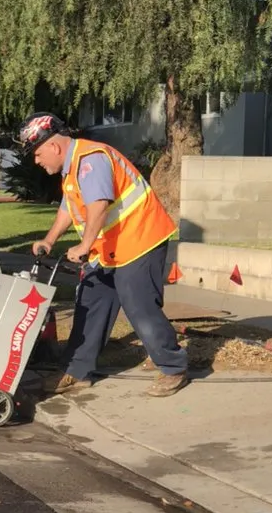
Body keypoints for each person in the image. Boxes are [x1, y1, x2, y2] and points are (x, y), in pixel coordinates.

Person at [21, 112, 188, 398]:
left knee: (138, 304)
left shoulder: (91, 160)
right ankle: (77, 372)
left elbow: (98, 205)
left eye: (37, 154)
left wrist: (84, 245)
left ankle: (173, 366)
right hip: (110, 247)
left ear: (54, 146)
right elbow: (69, 207)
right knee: (91, 302)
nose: (37, 161)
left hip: (140, 240)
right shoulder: (72, 168)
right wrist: (49, 240)